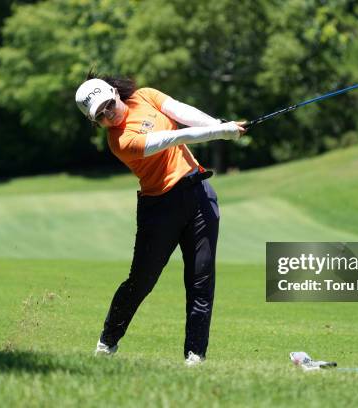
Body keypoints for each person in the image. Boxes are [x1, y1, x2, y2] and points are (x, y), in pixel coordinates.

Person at [75, 72, 246, 366]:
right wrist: (221, 132)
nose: (108, 115)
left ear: (115, 92)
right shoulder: (120, 142)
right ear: (95, 122)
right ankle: (107, 343)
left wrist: (218, 125)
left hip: (199, 194)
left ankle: (195, 357)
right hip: (160, 208)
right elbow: (172, 137)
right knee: (141, 282)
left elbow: (181, 112)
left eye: (108, 105)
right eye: (100, 116)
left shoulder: (145, 96)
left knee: (201, 280)